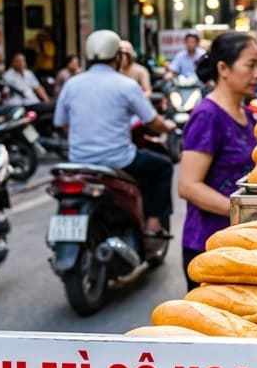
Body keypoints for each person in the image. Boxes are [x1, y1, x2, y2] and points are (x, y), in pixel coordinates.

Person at [54, 30, 175, 251]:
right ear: (117, 57)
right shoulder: (126, 85)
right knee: (163, 167)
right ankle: (153, 225)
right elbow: (152, 120)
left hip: (78, 162)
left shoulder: (72, 84)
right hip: (118, 161)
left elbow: (61, 123)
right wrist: (168, 126)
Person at [176, 31, 257, 289]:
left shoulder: (246, 113)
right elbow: (188, 186)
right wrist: (240, 211)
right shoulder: (208, 116)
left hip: (239, 241)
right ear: (223, 68)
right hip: (208, 245)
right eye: (250, 65)